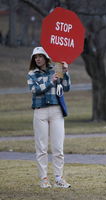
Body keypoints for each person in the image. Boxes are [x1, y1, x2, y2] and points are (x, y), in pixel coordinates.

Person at [27, 47, 71, 188]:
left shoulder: (57, 68)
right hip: (40, 112)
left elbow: (66, 88)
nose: (38, 59)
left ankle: (59, 178)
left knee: (58, 148)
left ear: (46, 57)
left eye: (40, 56)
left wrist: (65, 72)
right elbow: (35, 90)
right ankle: (44, 179)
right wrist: (51, 81)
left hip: (56, 111)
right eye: (35, 57)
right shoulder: (32, 73)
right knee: (42, 148)